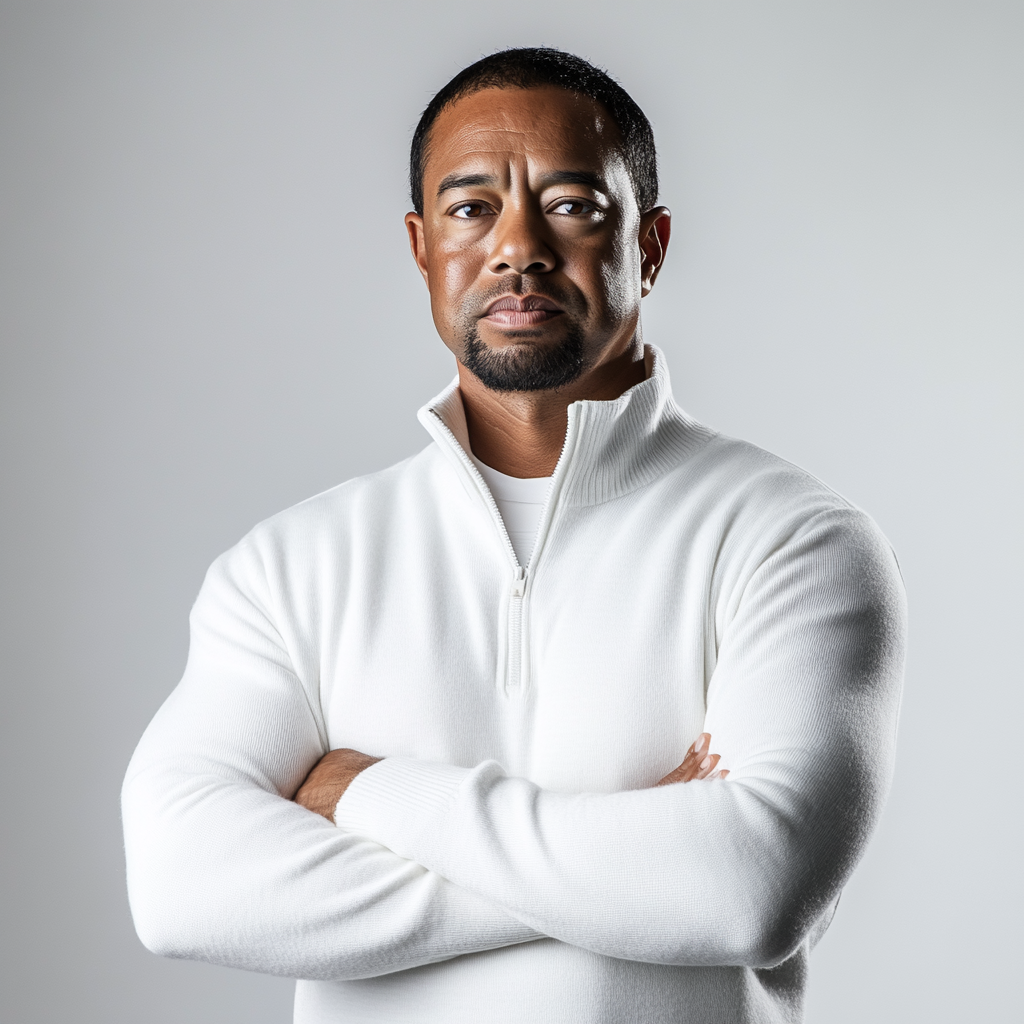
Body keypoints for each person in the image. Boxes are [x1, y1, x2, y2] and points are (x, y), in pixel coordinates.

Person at [122, 47, 906, 1024]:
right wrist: (628, 854)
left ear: (650, 245)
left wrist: (371, 793)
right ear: (422, 248)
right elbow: (180, 885)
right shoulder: (291, 568)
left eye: (573, 204)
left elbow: (747, 889)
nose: (518, 245)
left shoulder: (788, 539)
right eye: (471, 207)